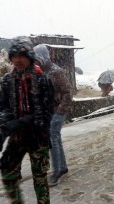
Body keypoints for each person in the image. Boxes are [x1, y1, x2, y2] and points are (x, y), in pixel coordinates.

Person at [0, 38, 53, 204]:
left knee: (39, 178)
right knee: (7, 173)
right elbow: (3, 108)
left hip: (38, 137)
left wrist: (19, 123)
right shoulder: (8, 81)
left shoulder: (42, 80)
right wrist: (3, 131)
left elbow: (45, 113)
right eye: (14, 56)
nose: (17, 60)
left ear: (29, 57)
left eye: (21, 56)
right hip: (16, 138)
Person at [33, 44, 73, 186]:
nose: (35, 62)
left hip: (57, 112)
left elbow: (68, 93)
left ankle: (56, 172)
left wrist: (60, 110)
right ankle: (62, 167)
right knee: (56, 138)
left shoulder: (56, 71)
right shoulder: (41, 72)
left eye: (37, 59)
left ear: (43, 57)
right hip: (50, 112)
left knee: (52, 139)